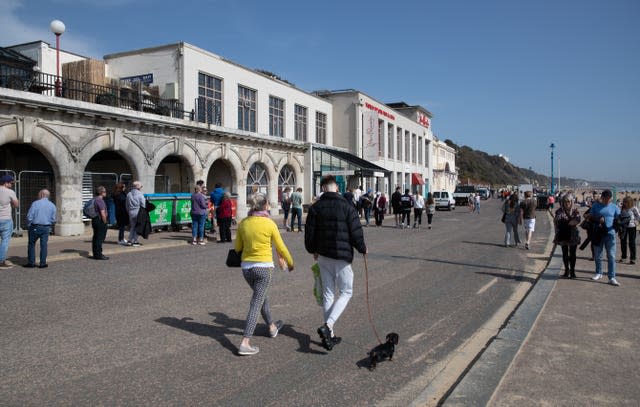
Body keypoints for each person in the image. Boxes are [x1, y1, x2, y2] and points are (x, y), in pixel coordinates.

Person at [304, 175, 367, 351]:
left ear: (323, 188)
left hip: (323, 255)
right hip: (342, 256)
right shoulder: (347, 207)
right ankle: (328, 326)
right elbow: (355, 231)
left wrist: (312, 249)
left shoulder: (315, 208)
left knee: (328, 294)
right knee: (347, 291)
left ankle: (329, 335)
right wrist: (362, 248)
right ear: (337, 188)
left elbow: (309, 233)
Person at [234, 193, 294, 356]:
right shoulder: (269, 224)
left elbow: (238, 247)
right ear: (266, 205)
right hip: (264, 268)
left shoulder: (244, 223)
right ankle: (245, 342)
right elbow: (281, 247)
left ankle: (272, 327)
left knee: (261, 297)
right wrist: (290, 263)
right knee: (256, 302)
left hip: (247, 268)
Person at [589, 190, 621, 286]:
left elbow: (619, 219)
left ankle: (612, 277)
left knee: (611, 256)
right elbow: (589, 216)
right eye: (605, 199)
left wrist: (617, 227)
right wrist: (597, 218)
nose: (607, 201)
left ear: (611, 198)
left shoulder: (614, 207)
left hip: (610, 235)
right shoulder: (595, 206)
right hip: (598, 234)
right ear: (602, 197)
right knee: (598, 255)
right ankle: (599, 272)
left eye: (609, 199)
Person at [24, 189, 56, 268]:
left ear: (41, 194)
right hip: (46, 228)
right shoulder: (52, 205)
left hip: (35, 226)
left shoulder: (35, 203)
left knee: (31, 244)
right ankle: (43, 263)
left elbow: (29, 216)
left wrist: (29, 224)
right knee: (44, 245)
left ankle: (31, 263)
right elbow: (53, 219)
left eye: (38, 194)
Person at [553, 193, 581, 278]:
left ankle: (572, 271)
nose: (566, 203)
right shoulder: (559, 211)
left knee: (573, 254)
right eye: (564, 201)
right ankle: (566, 270)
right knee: (564, 253)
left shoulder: (575, 211)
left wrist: (567, 222)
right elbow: (556, 221)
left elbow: (577, 220)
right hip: (563, 234)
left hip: (573, 235)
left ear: (572, 201)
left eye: (568, 201)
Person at [0, 175, 19, 269]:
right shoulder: (10, 192)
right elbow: (16, 205)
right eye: (11, 183)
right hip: (5, 219)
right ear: (6, 183)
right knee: (5, 241)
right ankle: (1, 261)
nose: (12, 184)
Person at [619, 196, 640, 264]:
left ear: (630, 202)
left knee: (632, 243)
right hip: (623, 227)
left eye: (626, 202)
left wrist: (635, 221)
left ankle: (633, 258)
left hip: (632, 227)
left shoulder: (634, 208)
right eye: (624, 202)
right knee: (623, 242)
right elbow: (620, 216)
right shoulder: (622, 208)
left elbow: (638, 216)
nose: (624, 203)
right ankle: (624, 257)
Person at [91, 186, 109, 260]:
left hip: (95, 220)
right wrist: (105, 222)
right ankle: (99, 255)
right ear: (101, 192)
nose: (106, 193)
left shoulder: (95, 199)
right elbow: (102, 213)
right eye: (104, 191)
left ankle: (96, 253)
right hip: (100, 221)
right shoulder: (100, 200)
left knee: (95, 237)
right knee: (100, 238)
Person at [125, 181, 145, 247]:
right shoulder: (140, 194)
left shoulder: (129, 194)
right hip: (138, 212)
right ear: (138, 187)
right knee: (138, 227)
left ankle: (129, 240)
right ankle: (135, 241)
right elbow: (143, 205)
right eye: (140, 187)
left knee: (132, 227)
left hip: (131, 212)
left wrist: (129, 212)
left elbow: (126, 205)